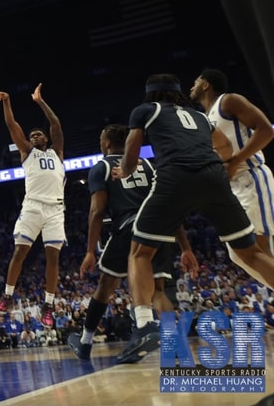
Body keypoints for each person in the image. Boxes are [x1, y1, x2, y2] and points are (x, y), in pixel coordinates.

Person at [113, 73, 274, 363]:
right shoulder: (200, 117)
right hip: (213, 176)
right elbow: (224, 146)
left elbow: (132, 150)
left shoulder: (145, 110)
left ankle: (144, 325)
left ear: (150, 93)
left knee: (140, 252)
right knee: (249, 253)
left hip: (174, 177)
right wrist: (220, 165)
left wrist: (125, 169)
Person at [67, 124, 198, 362]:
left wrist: (89, 250)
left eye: (100, 138)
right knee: (157, 290)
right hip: (159, 227)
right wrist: (185, 247)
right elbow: (169, 206)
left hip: (130, 227)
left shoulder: (102, 167)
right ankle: (175, 344)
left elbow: (97, 211)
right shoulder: (149, 165)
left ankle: (86, 342)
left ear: (106, 143)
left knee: (105, 286)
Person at [0, 83, 65, 327]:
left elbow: (56, 125)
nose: (34, 136)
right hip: (32, 206)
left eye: (38, 134)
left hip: (55, 209)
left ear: (46, 139)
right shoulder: (27, 152)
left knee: (53, 257)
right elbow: (12, 126)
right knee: (20, 251)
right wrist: (7, 101)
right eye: (31, 136)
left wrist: (40, 101)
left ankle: (48, 304)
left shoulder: (57, 152)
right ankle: (7, 295)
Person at [190, 68, 274, 288]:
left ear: (206, 84)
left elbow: (266, 130)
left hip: (251, 176)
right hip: (233, 187)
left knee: (258, 248)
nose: (192, 85)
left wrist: (236, 160)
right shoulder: (204, 120)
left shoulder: (228, 101)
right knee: (239, 255)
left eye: (196, 80)